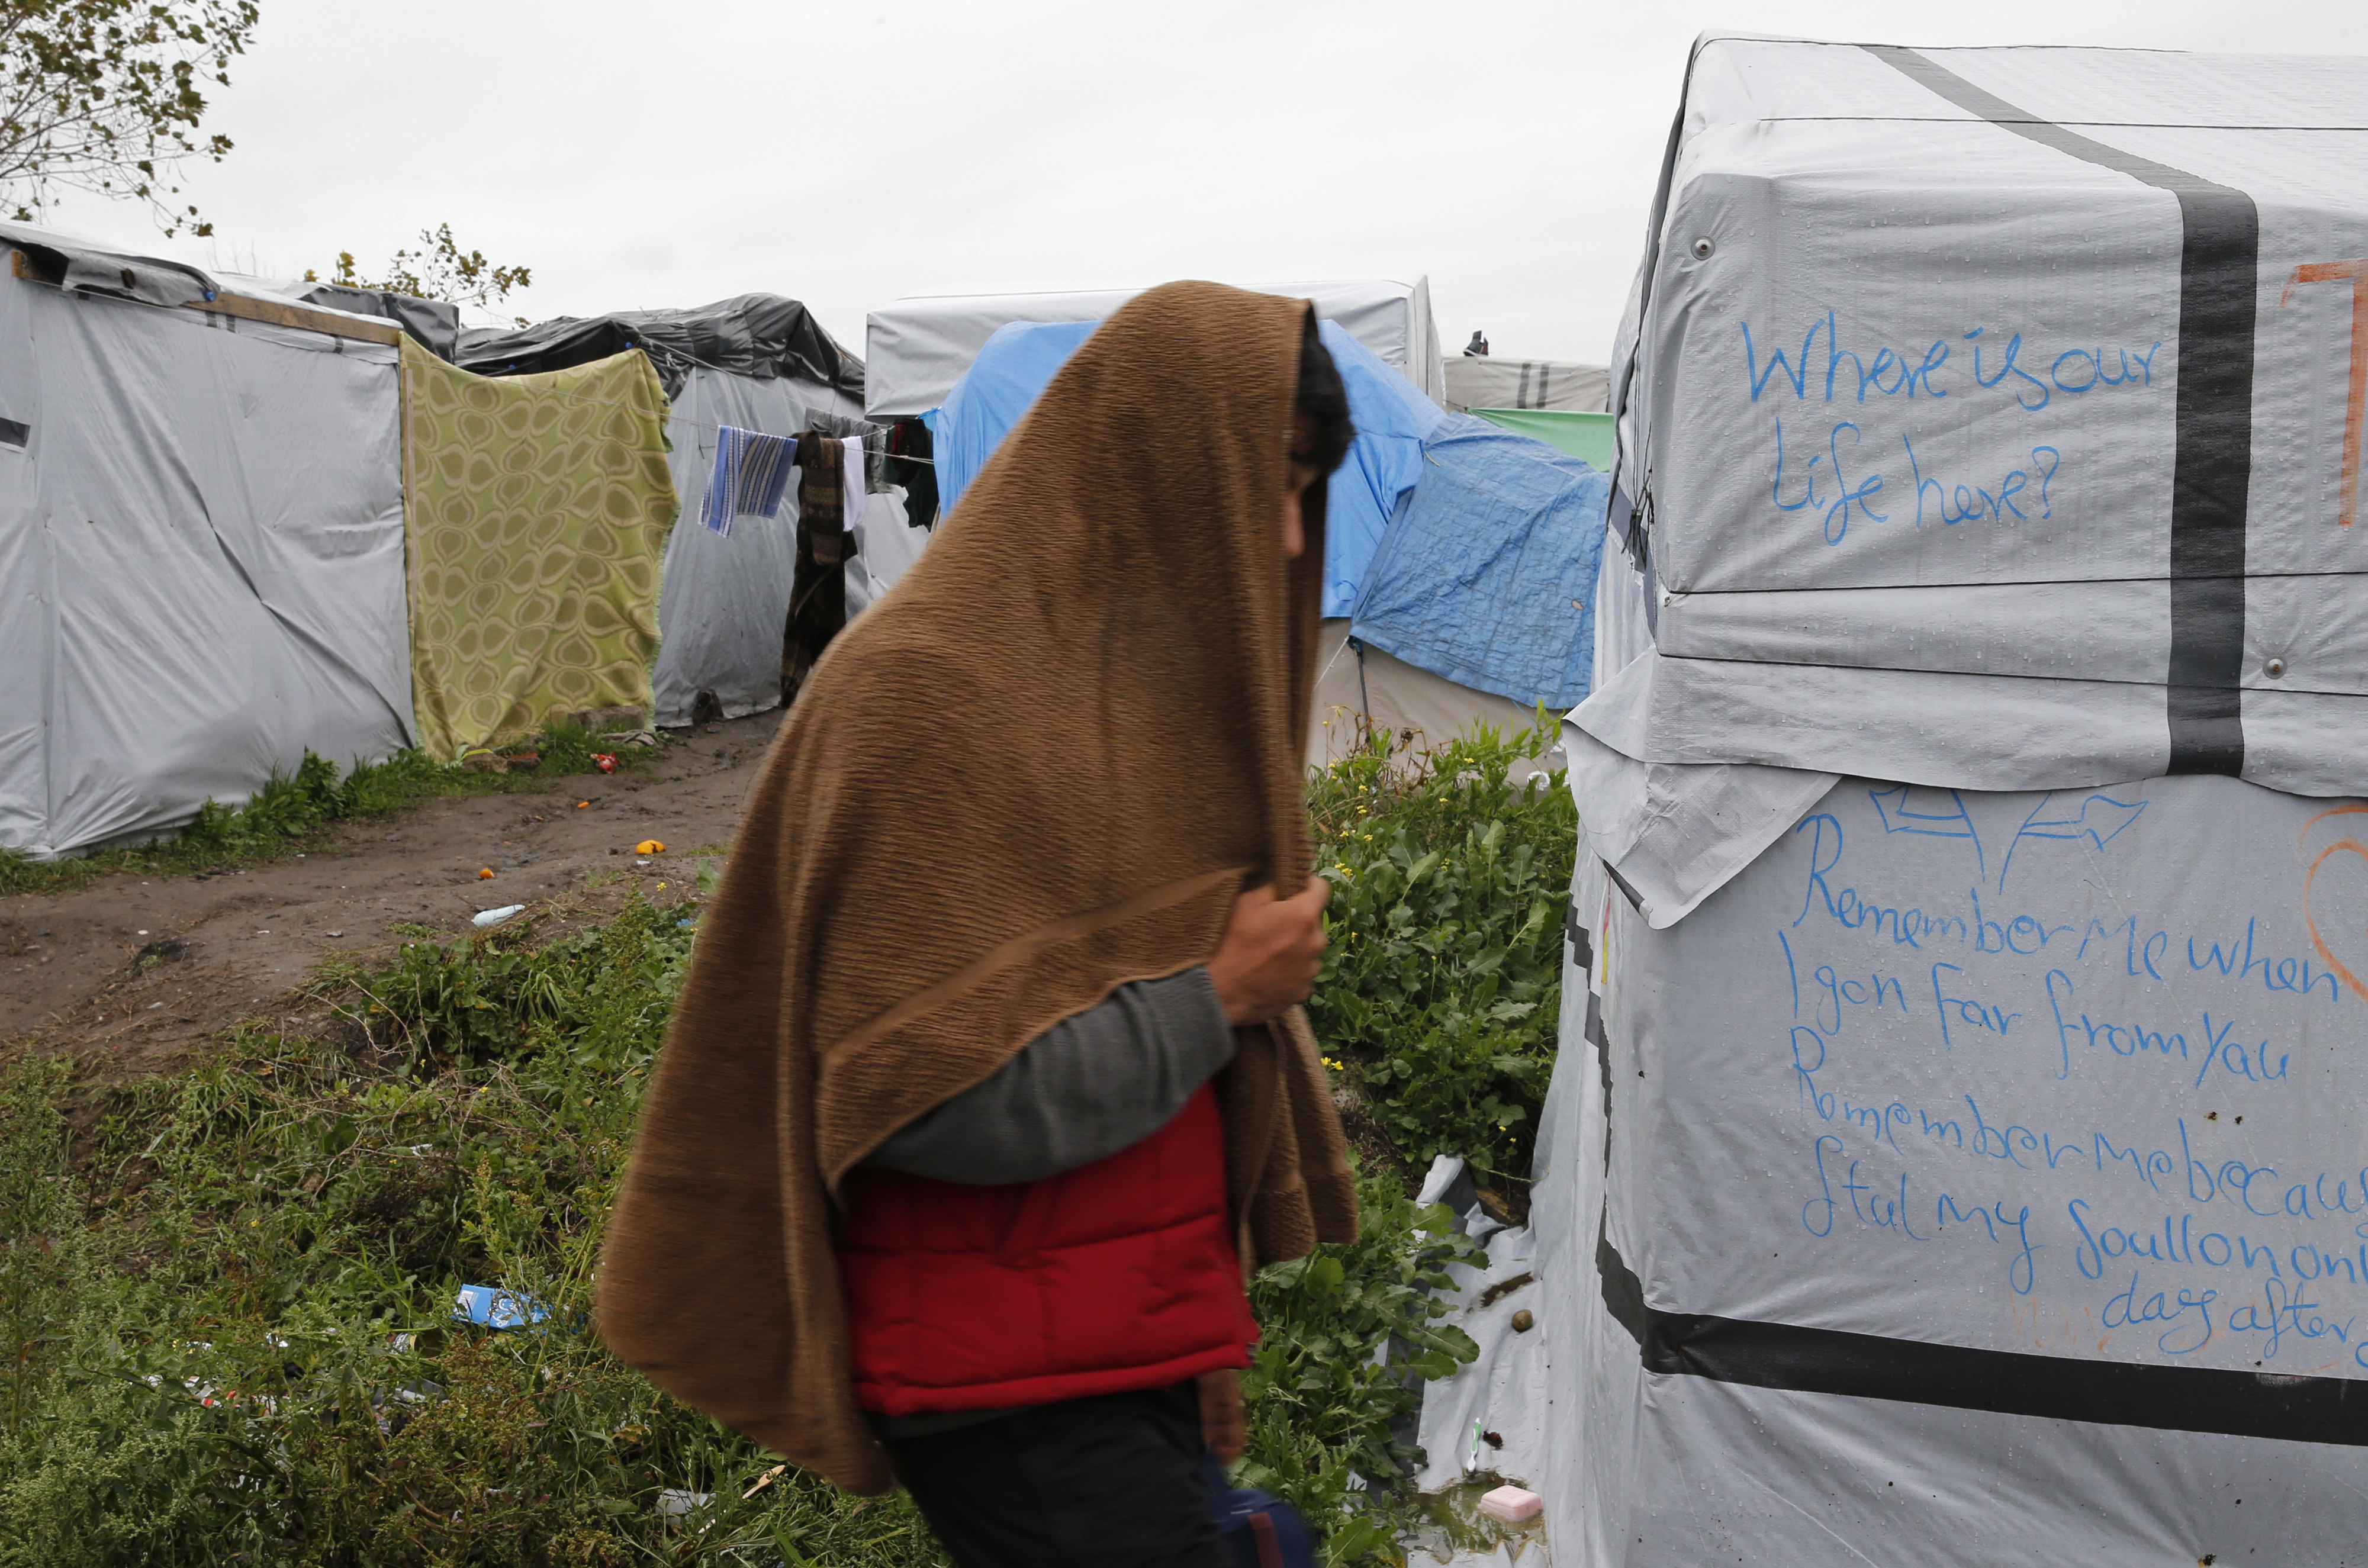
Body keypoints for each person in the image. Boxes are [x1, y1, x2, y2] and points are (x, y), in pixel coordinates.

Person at [597, 281, 1362, 1568]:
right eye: (1275, 478)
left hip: (1117, 1328)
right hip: (1009, 1376)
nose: (1292, 540)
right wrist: (1216, 993)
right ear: (1164, 459)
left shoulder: (1116, 696)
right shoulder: (930, 695)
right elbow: (923, 1094)